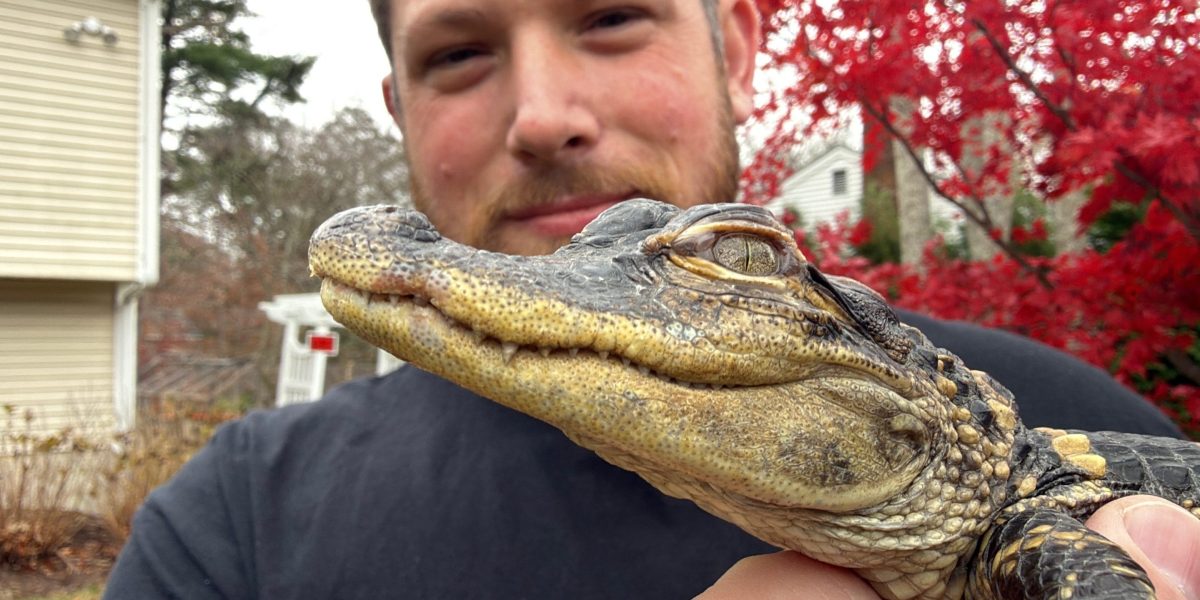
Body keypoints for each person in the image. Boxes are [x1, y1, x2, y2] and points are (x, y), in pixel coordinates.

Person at [104, 0, 1199, 598]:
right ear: (398, 107)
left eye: (613, 16)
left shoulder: (1095, 452)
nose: (544, 116)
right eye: (461, 52)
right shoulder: (229, 527)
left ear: (739, 49)